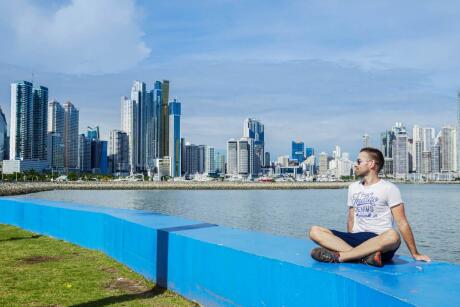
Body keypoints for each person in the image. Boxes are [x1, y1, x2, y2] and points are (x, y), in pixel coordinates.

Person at [308, 147, 430, 267]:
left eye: (359, 161)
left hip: (379, 241)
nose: (355, 165)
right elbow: (351, 218)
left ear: (371, 164)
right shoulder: (353, 187)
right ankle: (363, 258)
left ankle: (342, 256)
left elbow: (402, 223)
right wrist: (349, 237)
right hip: (356, 238)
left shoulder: (389, 188)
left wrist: (415, 253)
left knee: (393, 236)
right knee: (315, 231)